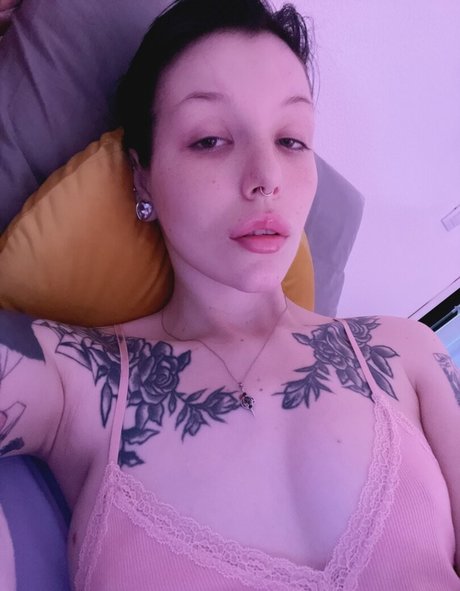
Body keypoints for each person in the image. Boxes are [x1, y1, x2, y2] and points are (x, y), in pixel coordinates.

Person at [0, 0, 459, 588]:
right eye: (212, 139)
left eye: (291, 139)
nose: (267, 177)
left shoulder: (406, 354)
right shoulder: (76, 381)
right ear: (142, 176)